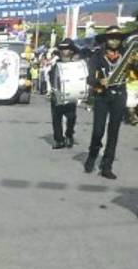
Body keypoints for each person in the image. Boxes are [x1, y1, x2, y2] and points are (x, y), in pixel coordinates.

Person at [84, 26, 132, 179]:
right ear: (105, 40)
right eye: (111, 37)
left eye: (118, 37)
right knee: (98, 130)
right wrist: (99, 81)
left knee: (114, 131)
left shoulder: (127, 56)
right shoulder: (97, 56)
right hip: (102, 96)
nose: (114, 40)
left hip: (119, 95)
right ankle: (92, 154)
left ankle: (107, 165)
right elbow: (89, 79)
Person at [47, 38, 81, 149]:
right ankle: (59, 140)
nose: (63, 51)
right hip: (57, 94)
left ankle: (69, 135)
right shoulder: (56, 64)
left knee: (71, 117)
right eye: (62, 49)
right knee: (56, 118)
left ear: (71, 51)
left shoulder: (76, 65)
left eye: (66, 49)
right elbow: (51, 77)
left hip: (71, 95)